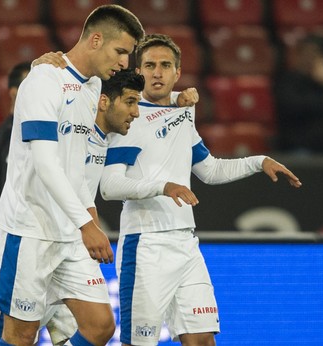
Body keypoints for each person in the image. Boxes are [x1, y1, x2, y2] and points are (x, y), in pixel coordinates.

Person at [99, 34, 302, 346]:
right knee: (138, 344)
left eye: (165, 65)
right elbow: (110, 186)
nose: (157, 72)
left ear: (177, 73)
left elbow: (209, 170)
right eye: (150, 65)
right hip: (145, 245)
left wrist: (258, 162)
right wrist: (163, 186)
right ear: (138, 71)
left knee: (202, 340)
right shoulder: (128, 117)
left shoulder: (182, 113)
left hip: (186, 245)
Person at [0, 4, 144, 346]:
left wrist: (88, 219)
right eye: (120, 52)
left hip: (68, 232)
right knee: (20, 335)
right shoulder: (43, 80)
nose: (123, 64)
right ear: (96, 39)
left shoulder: (90, 89)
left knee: (100, 326)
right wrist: (86, 225)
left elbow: (75, 170)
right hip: (28, 230)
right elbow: (45, 164)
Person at [0, 61, 32, 276]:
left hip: (1, 239)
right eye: (30, 86)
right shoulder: (15, 133)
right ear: (13, 93)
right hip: (8, 241)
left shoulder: (7, 131)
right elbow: (9, 192)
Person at [274, 33, 323, 153]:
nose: (307, 58)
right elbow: (291, 106)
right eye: (304, 53)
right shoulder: (289, 80)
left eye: (314, 54)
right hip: (302, 147)